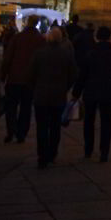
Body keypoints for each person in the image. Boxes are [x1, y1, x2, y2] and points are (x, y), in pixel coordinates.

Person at [72, 26, 111, 163]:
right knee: (106, 122)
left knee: (89, 121)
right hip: (108, 92)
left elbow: (82, 76)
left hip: (91, 91)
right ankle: (104, 152)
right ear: (109, 37)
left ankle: (88, 150)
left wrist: (76, 93)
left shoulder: (90, 53)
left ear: (97, 37)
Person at [28, 26, 76, 169]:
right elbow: (73, 74)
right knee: (55, 126)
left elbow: (31, 74)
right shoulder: (66, 55)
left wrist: (35, 88)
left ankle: (42, 156)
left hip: (41, 95)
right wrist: (65, 87)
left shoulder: (39, 54)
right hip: (58, 96)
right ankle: (52, 153)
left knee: (42, 127)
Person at [1, 15, 44, 143]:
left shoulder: (17, 38)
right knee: (26, 108)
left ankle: (11, 131)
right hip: (31, 80)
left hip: (14, 78)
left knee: (11, 107)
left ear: (26, 23)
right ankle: (21, 133)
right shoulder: (41, 40)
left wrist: (3, 75)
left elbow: (8, 58)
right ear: (37, 24)